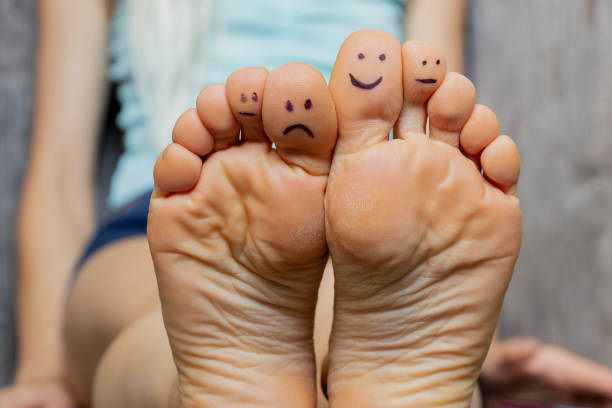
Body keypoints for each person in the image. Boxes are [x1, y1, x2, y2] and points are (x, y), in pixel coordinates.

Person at [1, 0, 611, 407]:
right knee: (260, 325)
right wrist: (41, 371)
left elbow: (438, 141)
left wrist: (482, 346)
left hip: (374, 216)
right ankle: (387, 383)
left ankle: (227, 384)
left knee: (161, 332)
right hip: (196, 212)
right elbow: (58, 168)